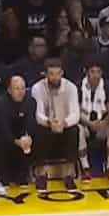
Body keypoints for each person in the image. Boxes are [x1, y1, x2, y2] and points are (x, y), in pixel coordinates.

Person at [30, 58, 83, 191]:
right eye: (51, 74)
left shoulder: (71, 87)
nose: (55, 77)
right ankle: (41, 175)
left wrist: (63, 123)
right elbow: (38, 114)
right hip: (47, 126)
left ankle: (69, 175)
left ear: (62, 73)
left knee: (74, 130)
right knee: (38, 130)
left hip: (64, 126)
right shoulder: (37, 88)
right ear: (45, 75)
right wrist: (49, 122)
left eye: (57, 73)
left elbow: (75, 114)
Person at [0, 75, 37, 189]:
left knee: (33, 138)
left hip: (21, 134)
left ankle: (23, 177)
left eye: (23, 88)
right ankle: (3, 178)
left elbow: (31, 122)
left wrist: (29, 137)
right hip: (5, 135)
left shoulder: (31, 102)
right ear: (9, 90)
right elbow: (3, 127)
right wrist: (16, 141)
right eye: (17, 89)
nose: (20, 92)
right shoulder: (1, 103)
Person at [77, 60, 109, 179]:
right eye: (92, 72)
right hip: (84, 123)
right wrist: (89, 124)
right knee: (78, 130)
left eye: (98, 72)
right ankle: (85, 167)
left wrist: (104, 122)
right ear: (86, 73)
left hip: (102, 123)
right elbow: (75, 112)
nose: (96, 75)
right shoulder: (78, 87)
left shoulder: (107, 87)